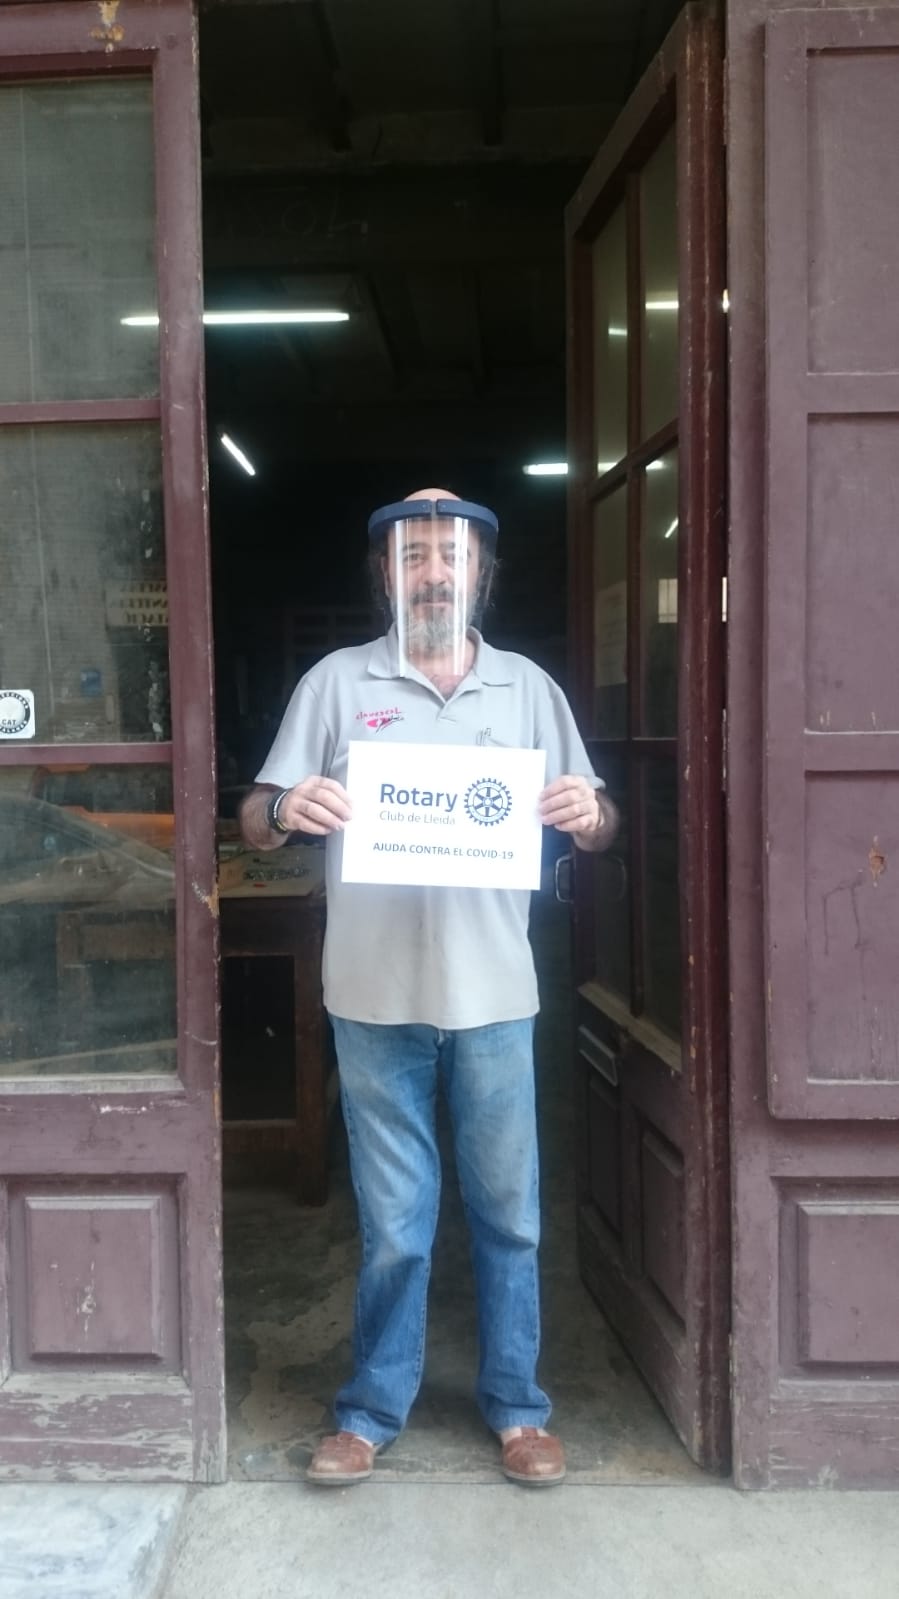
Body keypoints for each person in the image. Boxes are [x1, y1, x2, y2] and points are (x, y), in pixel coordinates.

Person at [239, 488, 617, 1488]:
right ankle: (370, 1411)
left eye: (452, 556)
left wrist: (590, 816)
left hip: (494, 996)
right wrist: (284, 806)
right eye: (414, 557)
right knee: (394, 1226)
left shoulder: (527, 689)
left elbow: (599, 819)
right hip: (371, 997)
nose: (435, 574)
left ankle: (518, 1407)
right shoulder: (335, 682)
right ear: (386, 574)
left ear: (481, 572)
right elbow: (254, 819)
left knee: (509, 1215)